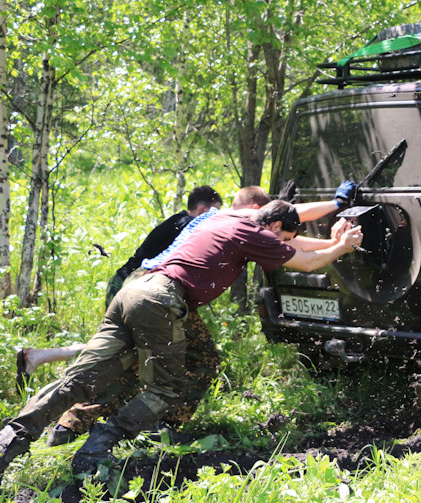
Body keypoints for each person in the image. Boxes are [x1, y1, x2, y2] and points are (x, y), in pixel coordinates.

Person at [0, 189, 362, 483]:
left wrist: (333, 213)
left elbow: (294, 234)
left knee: (81, 378)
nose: (283, 243)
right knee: (167, 387)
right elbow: (306, 260)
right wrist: (341, 247)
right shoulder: (253, 234)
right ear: (274, 225)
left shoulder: (229, 216)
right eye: (282, 236)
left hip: (134, 289)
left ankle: (11, 438)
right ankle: (98, 447)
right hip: (161, 300)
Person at [42, 185, 276, 447]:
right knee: (192, 360)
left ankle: (72, 423)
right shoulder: (218, 222)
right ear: (254, 210)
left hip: (138, 287)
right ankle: (160, 424)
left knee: (130, 358)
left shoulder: (199, 221)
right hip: (155, 292)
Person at [15, 186, 224, 391]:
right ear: (204, 211)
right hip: (134, 286)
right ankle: (65, 386)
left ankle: (39, 358)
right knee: (117, 348)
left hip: (127, 284)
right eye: (215, 212)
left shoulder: (177, 222)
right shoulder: (188, 226)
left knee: (119, 345)